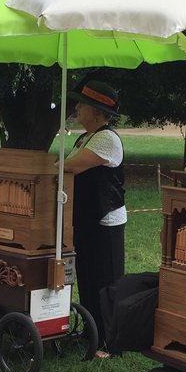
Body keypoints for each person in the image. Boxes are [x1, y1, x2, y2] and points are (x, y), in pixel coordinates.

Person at [65, 81, 125, 357]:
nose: (76, 108)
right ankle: (92, 333)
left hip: (106, 221)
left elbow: (71, 166)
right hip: (87, 218)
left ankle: (111, 342)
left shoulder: (107, 139)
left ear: (98, 113)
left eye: (82, 104)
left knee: (106, 281)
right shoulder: (84, 137)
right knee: (87, 278)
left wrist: (46, 167)